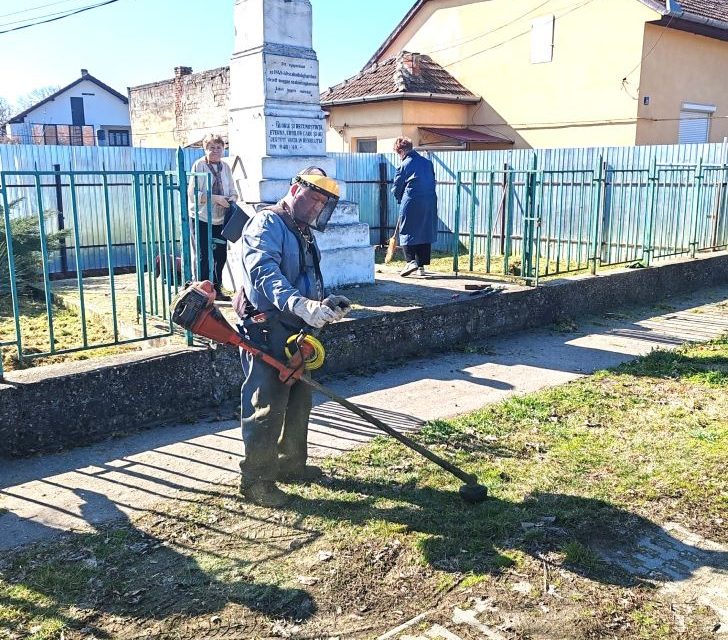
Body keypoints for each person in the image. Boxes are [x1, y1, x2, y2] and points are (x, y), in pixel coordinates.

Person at [235, 167, 351, 507]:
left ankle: (290, 466)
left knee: (299, 400)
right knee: (266, 405)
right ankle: (256, 481)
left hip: (299, 329)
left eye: (322, 203)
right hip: (268, 327)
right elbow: (263, 273)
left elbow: (308, 274)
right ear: (294, 189)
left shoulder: (303, 231)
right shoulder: (267, 224)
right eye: (313, 198)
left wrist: (325, 302)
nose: (317, 207)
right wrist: (299, 304)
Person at [188, 134, 238, 301]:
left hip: (221, 218)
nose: (215, 151)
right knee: (203, 255)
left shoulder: (226, 167)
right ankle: (202, 291)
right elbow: (193, 193)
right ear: (205, 149)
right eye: (212, 147)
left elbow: (233, 190)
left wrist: (230, 199)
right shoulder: (199, 165)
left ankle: (217, 289)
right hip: (201, 216)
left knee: (220, 255)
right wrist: (215, 198)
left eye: (219, 148)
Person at [392, 136, 438, 277]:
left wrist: (400, 199)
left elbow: (397, 187)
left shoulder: (404, 165)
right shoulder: (427, 163)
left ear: (401, 151)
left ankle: (410, 261)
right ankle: (421, 267)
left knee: (407, 230)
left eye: (397, 153)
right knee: (424, 230)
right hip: (430, 201)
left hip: (411, 201)